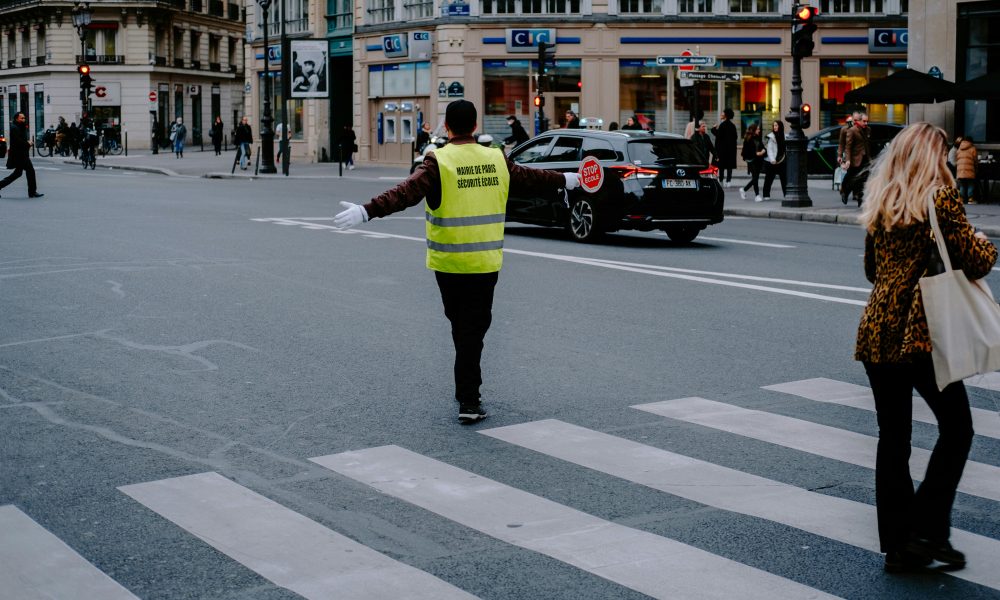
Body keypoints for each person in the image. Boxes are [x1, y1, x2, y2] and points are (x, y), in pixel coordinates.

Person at [332, 99, 580, 424]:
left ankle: (467, 394)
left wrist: (366, 211)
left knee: (462, 328)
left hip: (448, 265)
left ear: (447, 128)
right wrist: (567, 179)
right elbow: (533, 178)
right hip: (483, 263)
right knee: (472, 331)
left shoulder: (439, 161)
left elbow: (405, 193)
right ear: (476, 126)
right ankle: (468, 398)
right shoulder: (497, 159)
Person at [854, 122, 996, 574]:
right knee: (958, 430)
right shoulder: (941, 197)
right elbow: (974, 261)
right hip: (920, 333)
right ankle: (928, 531)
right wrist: (985, 245)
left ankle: (900, 545)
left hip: (877, 331)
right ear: (934, 158)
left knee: (893, 440)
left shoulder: (880, 201)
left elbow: (873, 270)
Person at [0, 112, 42, 198]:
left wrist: (27, 143)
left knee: (17, 173)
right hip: (19, 155)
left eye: (24, 118)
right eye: (21, 118)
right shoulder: (14, 128)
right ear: (16, 119)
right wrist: (28, 143)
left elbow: (20, 140)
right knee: (30, 171)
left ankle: (32, 192)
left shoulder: (20, 127)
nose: (23, 119)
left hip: (21, 154)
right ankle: (32, 192)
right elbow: (17, 142)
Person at [842, 112, 871, 206]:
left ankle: (860, 198)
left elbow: (867, 144)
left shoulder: (868, 130)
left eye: (867, 121)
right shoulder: (852, 130)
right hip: (855, 159)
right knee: (852, 178)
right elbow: (848, 147)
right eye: (864, 121)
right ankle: (845, 193)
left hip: (865, 158)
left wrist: (869, 158)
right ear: (858, 121)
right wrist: (848, 160)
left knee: (863, 179)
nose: (866, 123)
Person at [711, 108, 738, 188]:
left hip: (722, 149)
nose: (721, 114)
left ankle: (721, 180)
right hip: (730, 149)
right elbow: (735, 137)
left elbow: (719, 135)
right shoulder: (732, 125)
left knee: (721, 165)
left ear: (725, 115)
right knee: (729, 165)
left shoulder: (722, 125)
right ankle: (728, 181)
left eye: (723, 113)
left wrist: (713, 129)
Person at [739, 123, 765, 203]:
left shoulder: (758, 138)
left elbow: (762, 147)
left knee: (755, 178)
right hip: (752, 161)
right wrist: (756, 153)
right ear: (753, 130)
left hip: (758, 161)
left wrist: (764, 150)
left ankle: (744, 189)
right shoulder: (748, 139)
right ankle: (757, 195)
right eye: (757, 129)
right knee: (755, 178)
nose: (759, 130)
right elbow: (745, 152)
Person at [762, 120, 786, 201]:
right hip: (771, 162)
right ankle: (766, 194)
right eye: (774, 126)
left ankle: (786, 194)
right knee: (769, 178)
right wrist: (772, 160)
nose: (775, 127)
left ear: (780, 126)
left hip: (781, 160)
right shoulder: (771, 136)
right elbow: (770, 150)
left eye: (776, 125)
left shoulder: (785, 136)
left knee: (784, 179)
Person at [954, 136, 978, 205]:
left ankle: (961, 199)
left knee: (962, 185)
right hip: (969, 169)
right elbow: (975, 160)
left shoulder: (959, 148)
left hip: (960, 170)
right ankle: (970, 199)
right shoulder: (973, 148)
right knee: (970, 184)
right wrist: (976, 169)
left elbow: (956, 159)